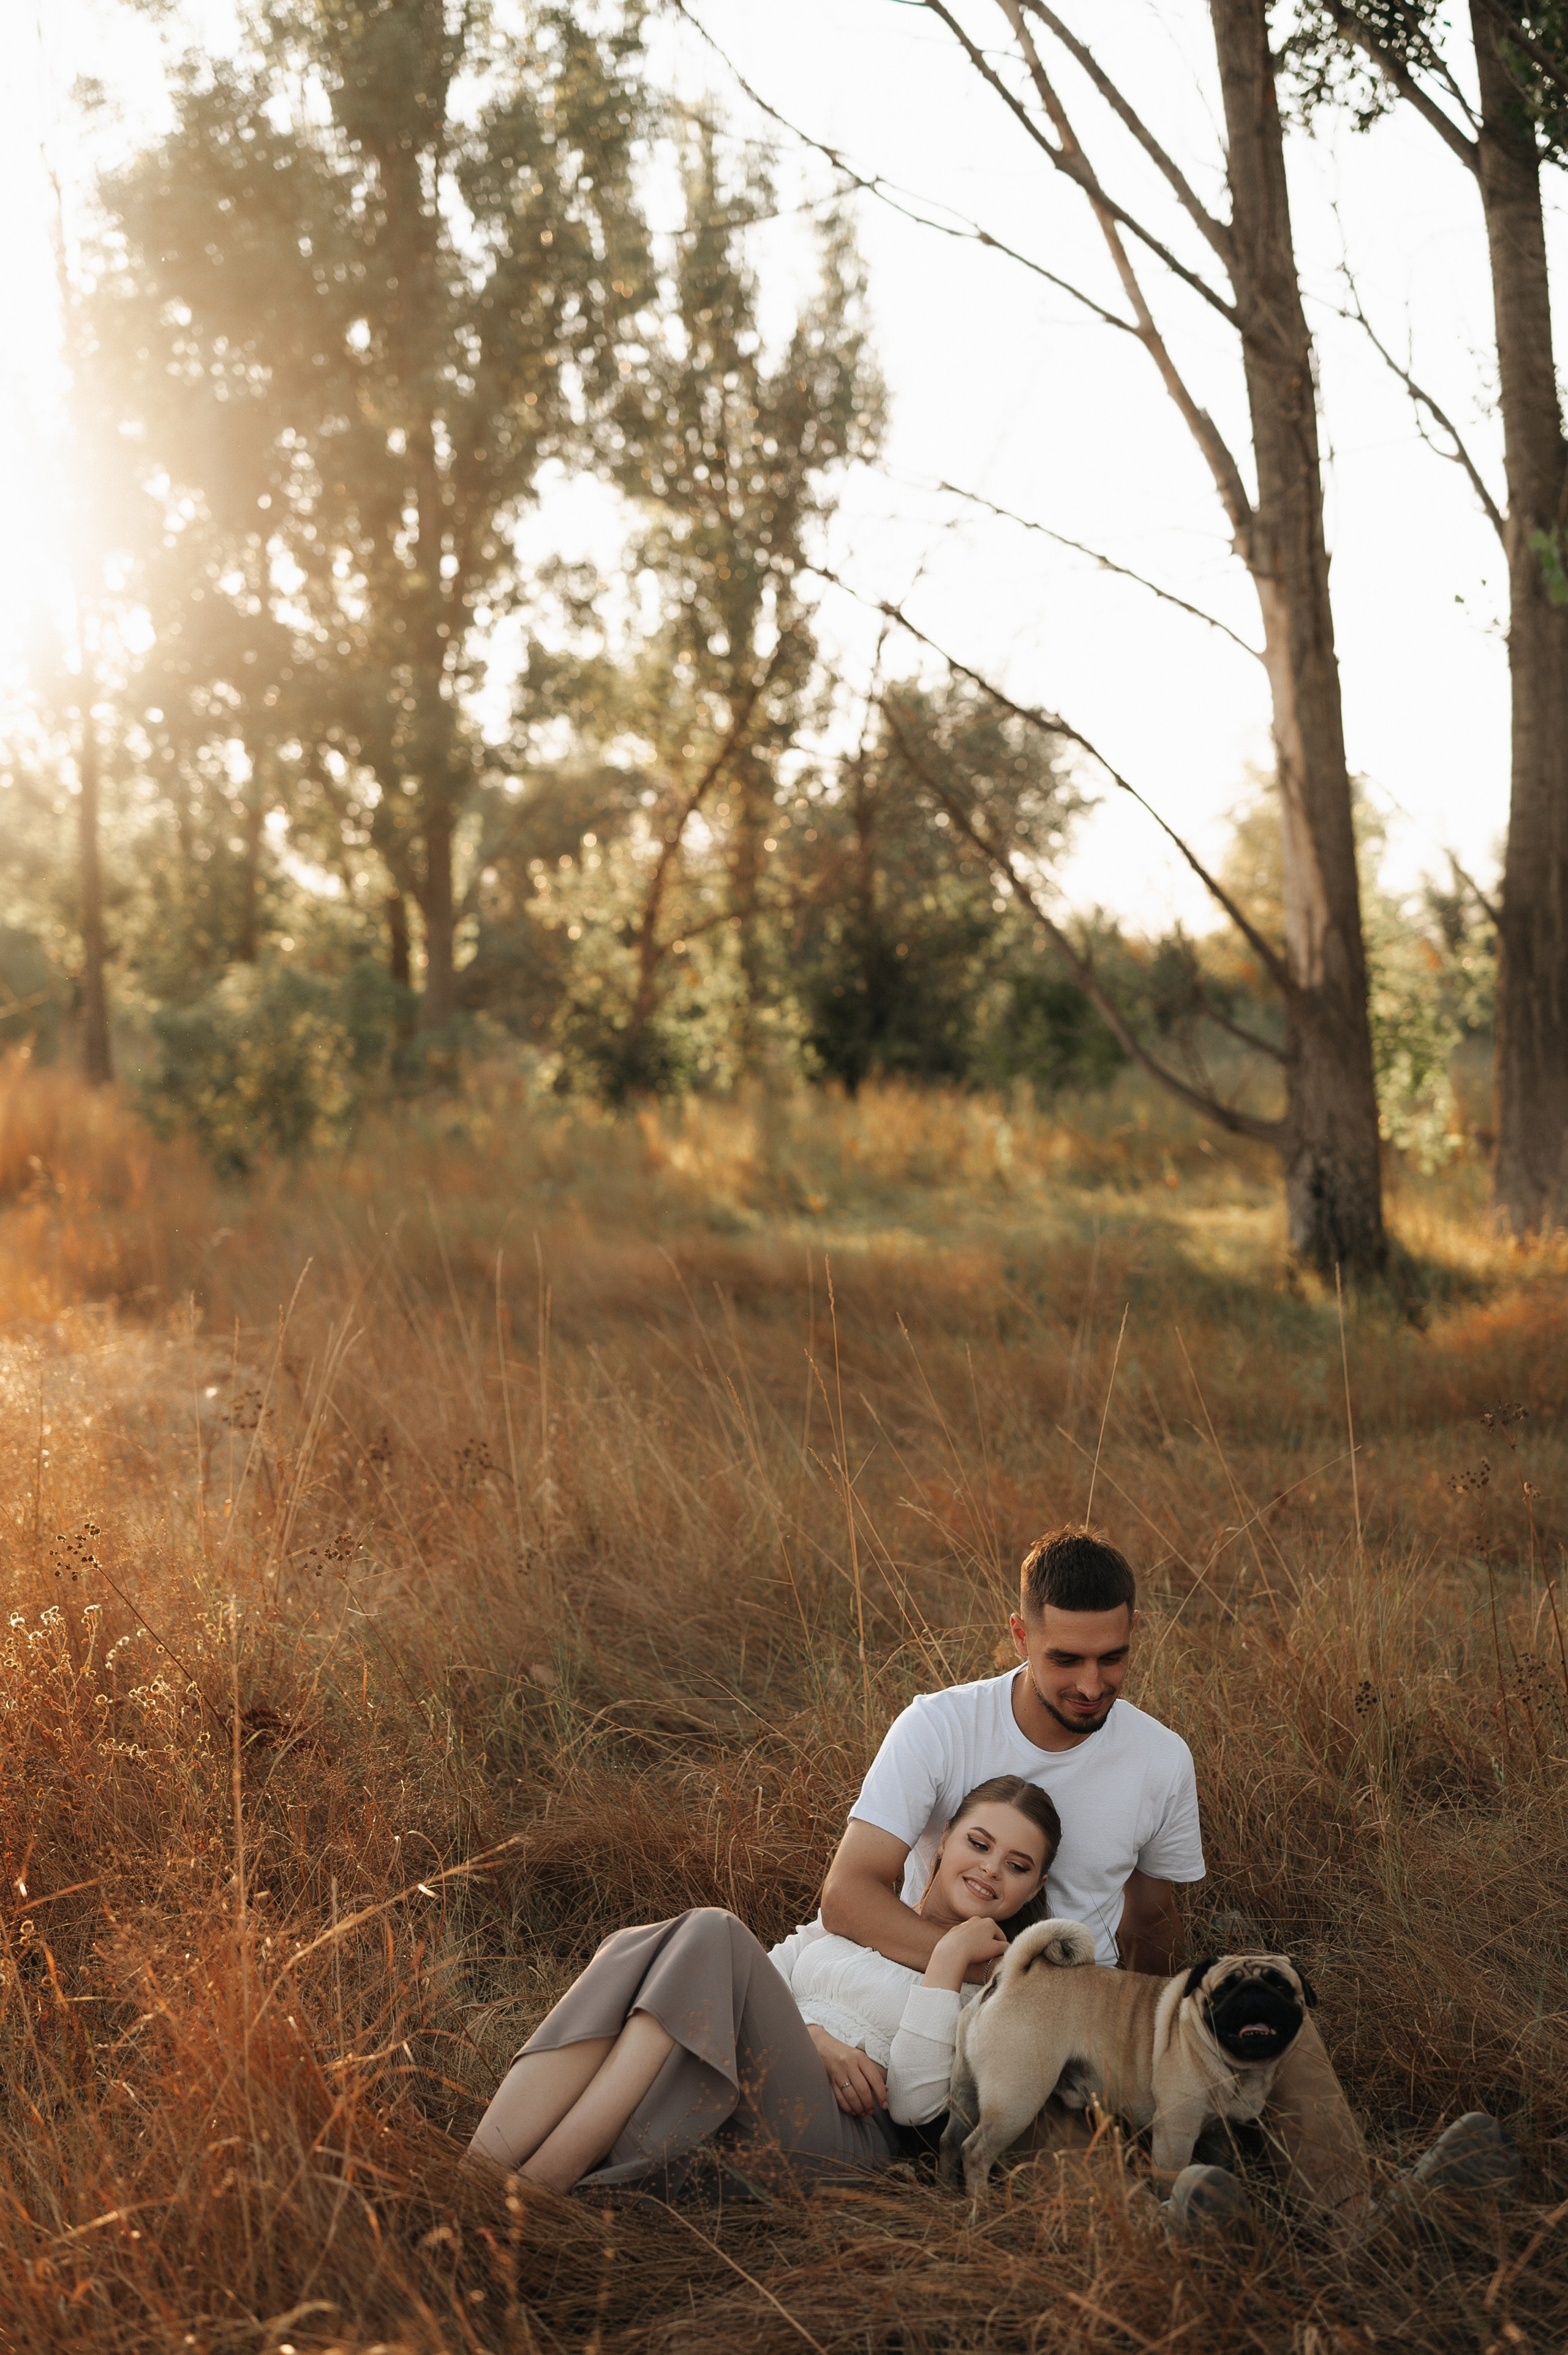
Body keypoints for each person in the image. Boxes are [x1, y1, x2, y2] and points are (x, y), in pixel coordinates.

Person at [807, 1524, 1376, 2227]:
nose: (1091, 1684)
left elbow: (1151, 1925)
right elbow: (847, 1896)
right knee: (1056, 2140)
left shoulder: (1160, 1758)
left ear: (1135, 1631)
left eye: (1114, 1658)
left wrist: (1163, 2034)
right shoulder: (938, 1726)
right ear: (1019, 1634)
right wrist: (996, 1972)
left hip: (1109, 2010)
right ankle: (1173, 2217)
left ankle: (1363, 2219)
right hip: (979, 2013)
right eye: (1065, 1658)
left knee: (1275, 2016)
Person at [465, 1777, 1062, 2196]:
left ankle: (545, 2178)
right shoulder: (858, 1917)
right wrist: (816, 2041)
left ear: (1033, 1888)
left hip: (837, 2134)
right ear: (946, 1838)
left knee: (711, 1931)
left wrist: (948, 1962)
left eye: (1016, 1864)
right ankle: (476, 2172)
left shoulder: (996, 1992)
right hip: (753, 2079)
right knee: (633, 1946)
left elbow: (912, 2106)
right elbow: (744, 1986)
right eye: (979, 1843)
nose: (989, 1868)